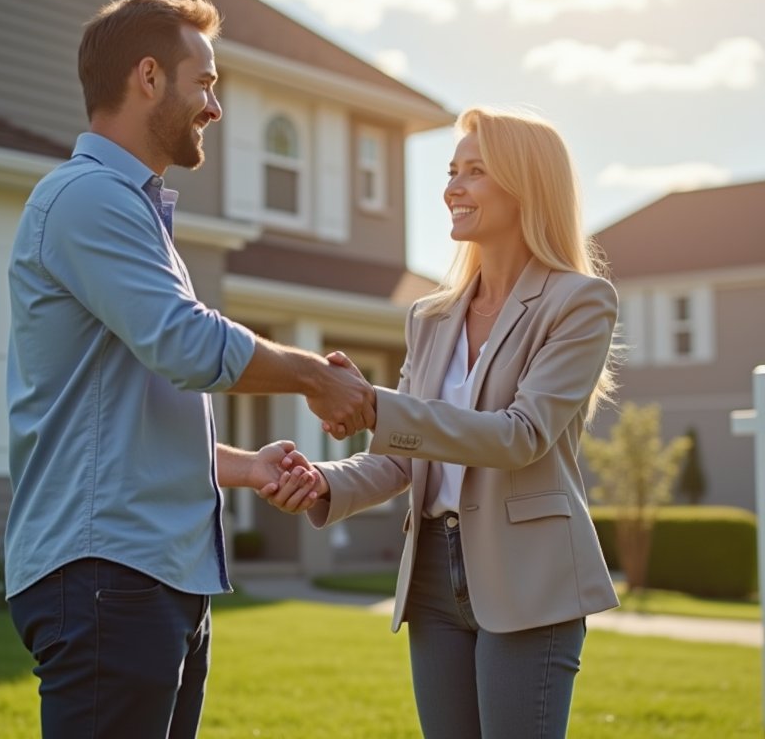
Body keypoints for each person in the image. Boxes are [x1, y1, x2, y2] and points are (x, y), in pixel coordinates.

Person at [4, 0, 374, 739]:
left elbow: (125, 419)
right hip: (109, 573)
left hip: (151, 577)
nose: (215, 107)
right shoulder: (87, 200)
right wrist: (315, 376)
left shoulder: (131, 213)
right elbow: (186, 345)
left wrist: (246, 467)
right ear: (148, 77)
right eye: (203, 83)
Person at [264, 105, 620, 739]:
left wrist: (376, 407)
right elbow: (403, 456)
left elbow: (520, 436)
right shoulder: (430, 317)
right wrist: (325, 482)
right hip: (430, 571)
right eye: (452, 170)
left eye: (475, 171)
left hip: (528, 575)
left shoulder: (579, 302)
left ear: (526, 185)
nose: (452, 187)